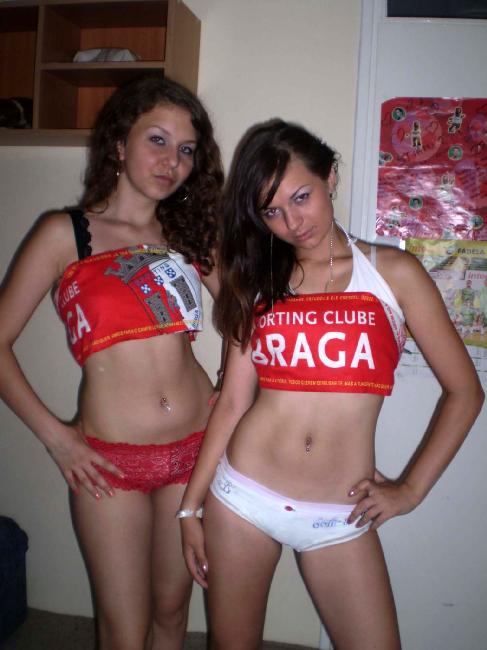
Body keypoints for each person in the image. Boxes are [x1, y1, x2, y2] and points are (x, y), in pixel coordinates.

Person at [179, 119, 484, 650]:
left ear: (330, 177)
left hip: (339, 512)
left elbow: (466, 392)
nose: (293, 222)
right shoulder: (258, 280)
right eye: (272, 211)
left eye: (301, 197)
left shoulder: (394, 273)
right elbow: (232, 402)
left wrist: (410, 490)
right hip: (244, 496)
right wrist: (191, 507)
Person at [0, 72, 223, 650]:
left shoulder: (189, 234)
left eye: (187, 149)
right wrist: (56, 437)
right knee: (123, 630)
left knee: (173, 613)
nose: (172, 161)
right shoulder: (65, 233)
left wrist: (230, 388)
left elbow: (248, 316)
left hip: (194, 450)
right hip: (109, 463)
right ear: (120, 144)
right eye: (158, 140)